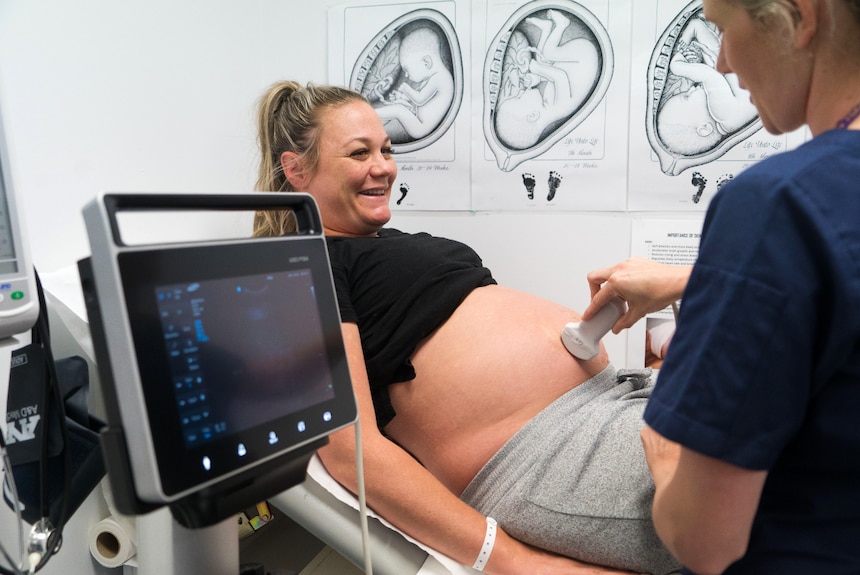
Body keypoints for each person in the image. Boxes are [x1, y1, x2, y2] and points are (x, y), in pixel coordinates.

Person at [252, 80, 680, 575]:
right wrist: (509, 560)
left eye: (387, 150)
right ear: (296, 168)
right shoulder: (297, 268)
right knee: (760, 473)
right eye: (359, 153)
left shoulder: (388, 243)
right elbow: (352, 452)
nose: (383, 167)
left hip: (619, 399)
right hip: (549, 453)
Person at [584, 1, 860, 572]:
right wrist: (706, 279)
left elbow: (705, 542)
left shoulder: (776, 205)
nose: (723, 62)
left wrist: (666, 465)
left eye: (720, 29)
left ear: (801, 16)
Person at [495, 9, 600, 149]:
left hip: (570, 62)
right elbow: (560, 77)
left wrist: (536, 79)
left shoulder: (548, 107)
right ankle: (562, 24)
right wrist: (536, 69)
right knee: (548, 54)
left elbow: (551, 78)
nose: (521, 91)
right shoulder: (559, 108)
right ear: (532, 116)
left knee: (544, 59)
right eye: (520, 98)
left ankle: (547, 29)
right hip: (583, 56)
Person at [656, 15, 757, 155]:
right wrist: (677, 67)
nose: (691, 88)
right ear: (704, 129)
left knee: (698, 27)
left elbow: (718, 76)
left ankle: (690, 35)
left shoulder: (728, 122)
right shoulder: (723, 114)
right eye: (687, 97)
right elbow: (709, 75)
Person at [373, 26, 455, 140]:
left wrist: (406, 88)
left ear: (426, 62)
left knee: (398, 110)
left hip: (420, 128)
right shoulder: (433, 77)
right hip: (418, 121)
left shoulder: (441, 78)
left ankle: (368, 114)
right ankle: (373, 122)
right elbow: (423, 99)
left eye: (407, 69)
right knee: (398, 106)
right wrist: (403, 97)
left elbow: (420, 99)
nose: (406, 75)